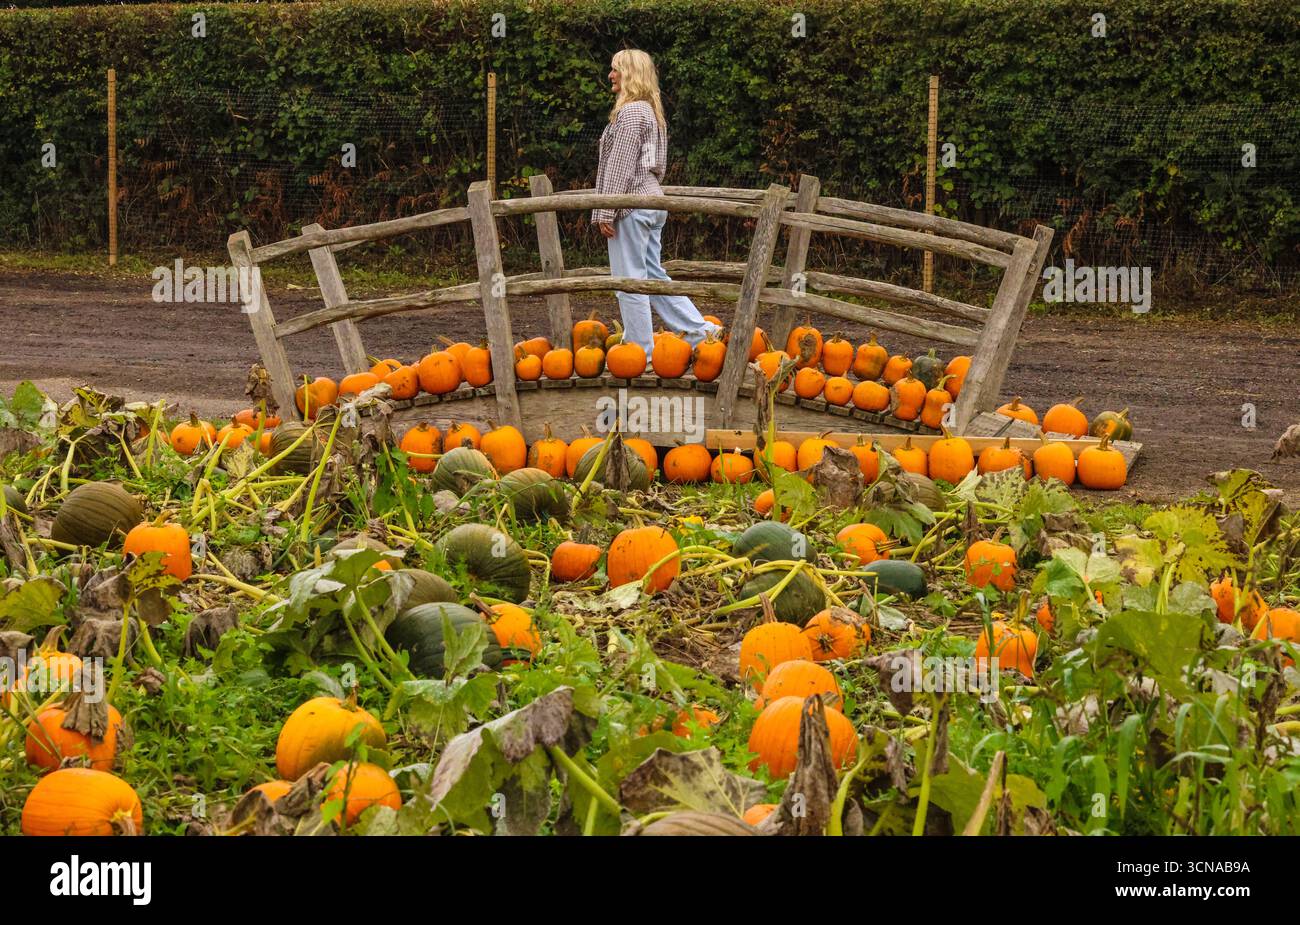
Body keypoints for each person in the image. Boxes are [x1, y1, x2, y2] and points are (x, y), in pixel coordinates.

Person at [591, 49, 721, 358]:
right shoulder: (652, 112)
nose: (610, 75)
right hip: (651, 201)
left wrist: (606, 209)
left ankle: (639, 350)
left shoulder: (631, 112)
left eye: (615, 69)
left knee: (629, 281)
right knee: (652, 275)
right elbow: (656, 166)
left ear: (630, 74)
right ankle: (701, 331)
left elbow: (620, 165)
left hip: (632, 203)